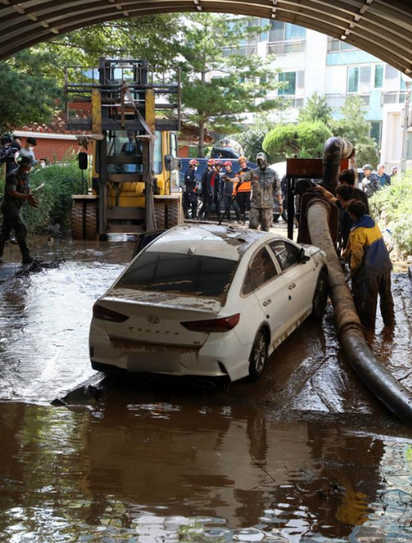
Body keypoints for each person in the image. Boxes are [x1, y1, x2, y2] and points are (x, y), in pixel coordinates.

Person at [345, 200, 394, 329]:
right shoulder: (372, 223)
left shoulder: (357, 231)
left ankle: (368, 330)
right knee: (386, 297)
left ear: (352, 215)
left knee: (369, 302)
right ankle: (390, 326)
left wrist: (352, 271)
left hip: (371, 271)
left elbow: (357, 257)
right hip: (385, 266)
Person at [0, 156, 39, 265]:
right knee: (21, 228)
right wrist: (27, 197)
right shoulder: (13, 175)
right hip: (9, 207)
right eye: (31, 164)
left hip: (15, 207)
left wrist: (30, 198)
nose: (31, 166)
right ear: (26, 165)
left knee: (4, 233)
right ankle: (26, 257)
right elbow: (11, 192)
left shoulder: (25, 175)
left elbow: (28, 189)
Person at [233, 152, 282, 231]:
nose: (260, 162)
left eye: (261, 160)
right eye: (258, 160)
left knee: (265, 229)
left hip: (267, 206)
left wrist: (280, 204)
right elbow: (242, 178)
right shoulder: (253, 172)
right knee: (252, 227)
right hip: (255, 205)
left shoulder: (273, 173)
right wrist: (230, 180)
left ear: (265, 160)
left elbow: (278, 189)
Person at [235, 156, 251, 222]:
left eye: (243, 162)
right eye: (241, 163)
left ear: (245, 162)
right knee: (241, 206)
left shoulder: (250, 171)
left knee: (250, 205)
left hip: (249, 191)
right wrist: (235, 191)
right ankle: (242, 218)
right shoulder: (239, 172)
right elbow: (236, 182)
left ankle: (252, 218)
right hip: (240, 191)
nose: (242, 164)